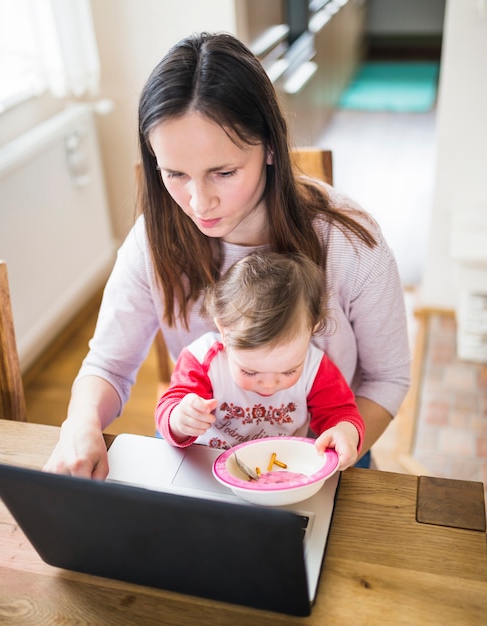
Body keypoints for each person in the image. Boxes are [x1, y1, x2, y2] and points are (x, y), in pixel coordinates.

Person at [43, 31, 410, 479]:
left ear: (271, 148)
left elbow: (387, 380)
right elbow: (108, 365)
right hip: (203, 456)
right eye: (175, 174)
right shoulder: (154, 240)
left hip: (321, 455)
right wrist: (79, 426)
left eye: (223, 172)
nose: (198, 203)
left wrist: (326, 459)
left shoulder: (351, 241)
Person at [156, 251, 365, 471]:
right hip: (206, 469)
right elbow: (169, 407)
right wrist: (180, 419)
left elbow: (340, 412)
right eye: (250, 372)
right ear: (224, 333)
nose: (268, 384)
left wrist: (345, 432)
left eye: (288, 372)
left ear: (310, 333)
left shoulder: (315, 366)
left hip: (280, 472)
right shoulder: (201, 360)